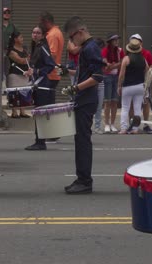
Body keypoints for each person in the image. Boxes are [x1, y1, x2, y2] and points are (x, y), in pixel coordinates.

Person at [62, 16, 104, 194]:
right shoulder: (87, 48)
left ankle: (85, 180)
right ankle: (82, 178)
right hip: (83, 98)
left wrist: (75, 88)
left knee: (83, 141)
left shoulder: (90, 48)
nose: (71, 41)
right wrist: (68, 72)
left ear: (80, 32)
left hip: (86, 99)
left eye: (72, 37)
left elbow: (97, 76)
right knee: (80, 140)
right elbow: (86, 72)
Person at [24, 25, 55, 150]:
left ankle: (40, 142)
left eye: (38, 32)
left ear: (42, 35)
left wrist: (36, 71)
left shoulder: (43, 47)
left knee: (40, 113)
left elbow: (50, 65)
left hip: (42, 84)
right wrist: (29, 72)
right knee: (38, 112)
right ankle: (38, 140)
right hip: (37, 84)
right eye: (33, 32)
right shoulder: (36, 47)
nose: (35, 34)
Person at [117, 39, 148, 134]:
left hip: (128, 86)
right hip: (139, 86)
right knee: (137, 108)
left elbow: (121, 74)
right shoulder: (143, 59)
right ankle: (135, 128)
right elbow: (147, 68)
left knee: (125, 107)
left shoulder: (126, 59)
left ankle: (123, 128)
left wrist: (119, 86)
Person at [128, 33, 152, 134]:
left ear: (141, 42)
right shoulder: (128, 53)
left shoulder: (146, 53)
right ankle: (132, 124)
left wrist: (148, 75)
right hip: (132, 82)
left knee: (145, 103)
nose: (136, 42)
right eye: (133, 40)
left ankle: (146, 124)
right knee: (132, 104)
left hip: (144, 82)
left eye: (138, 40)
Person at [102, 33, 124, 133]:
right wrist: (116, 65)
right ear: (110, 41)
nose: (116, 41)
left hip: (116, 77)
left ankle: (112, 124)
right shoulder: (105, 51)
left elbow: (123, 63)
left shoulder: (120, 51)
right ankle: (106, 124)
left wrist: (113, 65)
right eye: (114, 40)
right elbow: (106, 65)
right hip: (107, 77)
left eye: (117, 40)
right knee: (107, 101)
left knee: (115, 101)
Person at [7, 30, 31, 118]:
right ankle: (14, 112)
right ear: (15, 39)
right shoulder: (11, 51)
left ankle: (23, 111)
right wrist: (29, 59)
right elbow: (20, 60)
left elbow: (27, 60)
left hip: (24, 74)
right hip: (14, 74)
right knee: (14, 92)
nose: (22, 39)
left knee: (24, 92)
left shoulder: (24, 49)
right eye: (20, 37)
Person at [39, 11, 64, 94]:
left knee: (46, 100)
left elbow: (52, 55)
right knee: (50, 97)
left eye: (41, 23)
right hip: (55, 72)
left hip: (50, 73)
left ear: (46, 22)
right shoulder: (57, 31)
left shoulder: (52, 35)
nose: (40, 26)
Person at [93, 38, 106, 135]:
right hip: (91, 83)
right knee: (90, 105)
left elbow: (104, 70)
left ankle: (97, 126)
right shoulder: (90, 56)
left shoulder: (101, 57)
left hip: (100, 83)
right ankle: (89, 126)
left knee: (99, 106)